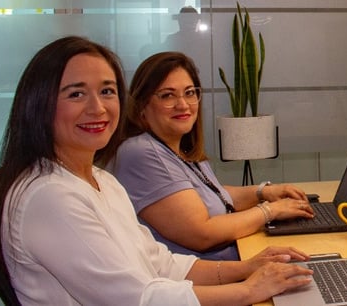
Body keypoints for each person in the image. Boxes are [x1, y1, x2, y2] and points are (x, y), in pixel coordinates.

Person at [0, 36, 313, 305]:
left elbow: (159, 263)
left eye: (107, 91)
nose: (97, 108)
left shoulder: (101, 180)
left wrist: (247, 268)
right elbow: (136, 299)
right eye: (76, 94)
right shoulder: (50, 197)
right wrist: (249, 290)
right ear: (39, 104)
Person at [110, 51, 314, 260]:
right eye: (167, 95)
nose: (183, 104)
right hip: (206, 275)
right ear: (142, 105)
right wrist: (270, 211)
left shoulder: (177, 148)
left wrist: (264, 192)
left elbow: (213, 196)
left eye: (190, 93)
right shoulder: (141, 152)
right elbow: (202, 234)